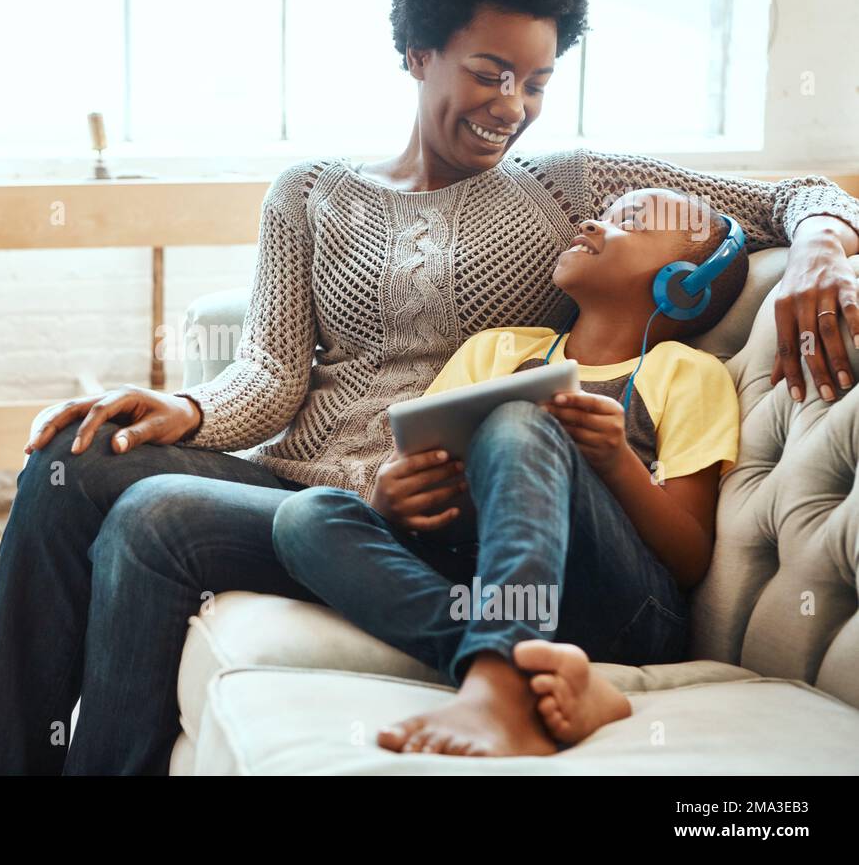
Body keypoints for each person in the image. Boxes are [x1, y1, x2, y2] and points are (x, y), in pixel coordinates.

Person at [0, 0, 859, 775]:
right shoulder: (308, 191)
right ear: (418, 53)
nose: (513, 106)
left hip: (456, 512)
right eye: (490, 71)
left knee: (155, 522)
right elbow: (272, 374)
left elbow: (799, 193)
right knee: (68, 466)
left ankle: (501, 675)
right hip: (318, 493)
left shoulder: (570, 186)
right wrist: (188, 409)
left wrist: (821, 243)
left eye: (537, 82)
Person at [271, 187, 746, 757]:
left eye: (633, 223)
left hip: (623, 610)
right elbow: (416, 458)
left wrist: (617, 463)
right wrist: (391, 499)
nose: (593, 223)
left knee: (518, 421)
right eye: (605, 212)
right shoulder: (495, 351)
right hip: (483, 588)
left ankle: (499, 682)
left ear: (683, 284)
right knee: (306, 516)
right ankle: (515, 668)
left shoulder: (687, 374)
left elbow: (690, 560)